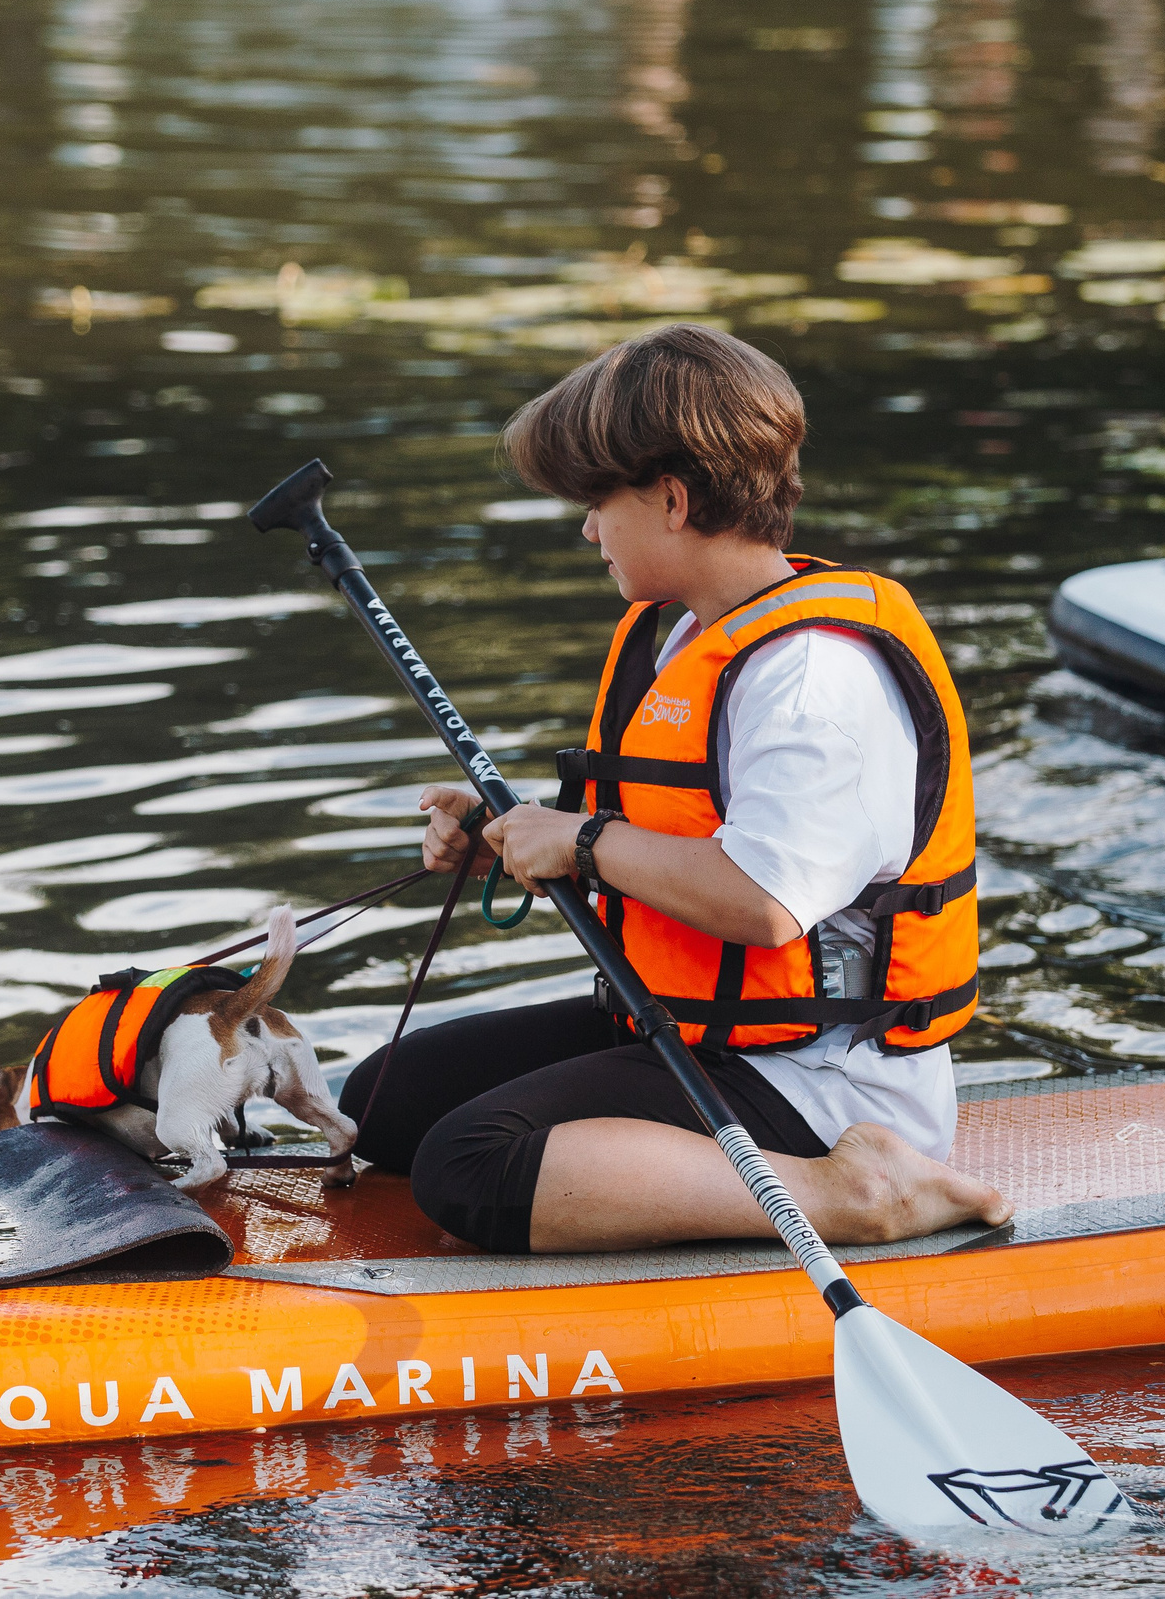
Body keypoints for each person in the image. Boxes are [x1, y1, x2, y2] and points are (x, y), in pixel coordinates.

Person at [338, 322, 1007, 1255]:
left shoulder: (813, 675)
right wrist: (515, 830)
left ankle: (850, 1193)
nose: (585, 527)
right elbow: (668, 820)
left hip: (822, 1079)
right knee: (382, 1103)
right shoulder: (694, 632)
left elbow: (768, 902)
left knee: (470, 1163)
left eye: (595, 500)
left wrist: (577, 843)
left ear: (672, 499)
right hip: (706, 1029)